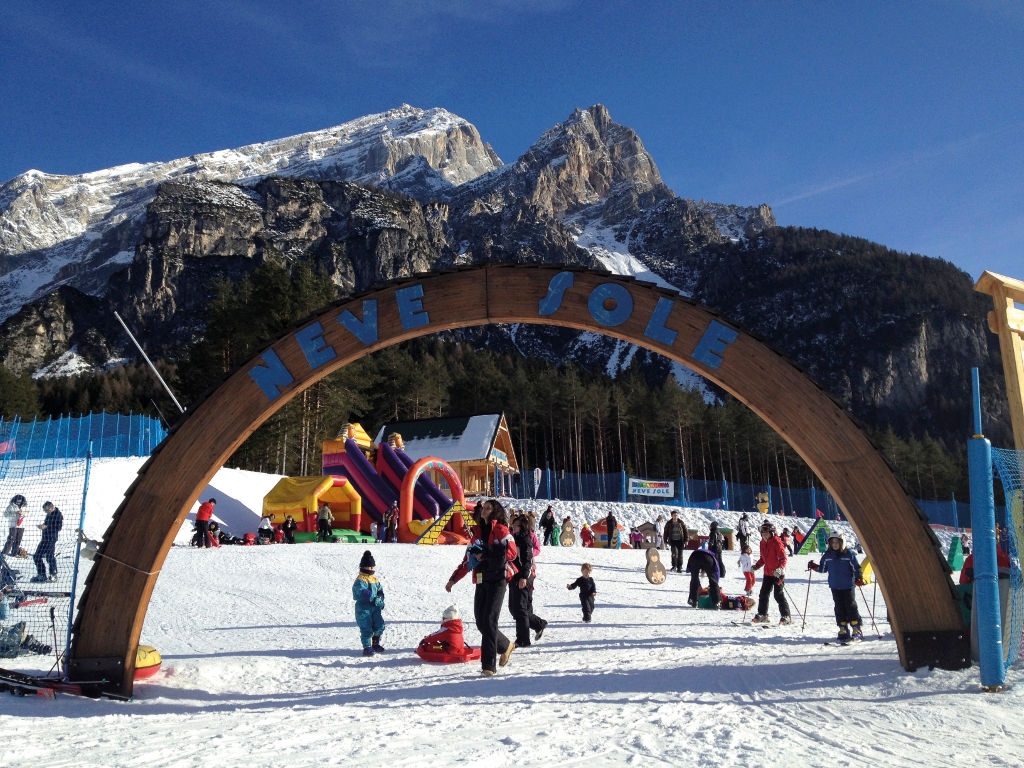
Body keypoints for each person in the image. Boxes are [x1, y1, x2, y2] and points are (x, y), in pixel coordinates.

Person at [445, 499, 518, 677]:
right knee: (481, 622)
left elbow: (512, 552)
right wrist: (453, 579)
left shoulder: (501, 529)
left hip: (498, 579)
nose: (483, 510)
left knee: (490, 620)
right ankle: (506, 645)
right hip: (481, 579)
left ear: (494, 512)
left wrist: (487, 554)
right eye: (483, 508)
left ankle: (488, 666)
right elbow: (467, 560)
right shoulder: (476, 533)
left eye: (487, 508)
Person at [808, 532, 864, 642]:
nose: (835, 545)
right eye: (832, 542)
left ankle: (856, 629)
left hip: (848, 585)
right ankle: (843, 628)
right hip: (835, 586)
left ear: (842, 543)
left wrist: (858, 577)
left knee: (851, 606)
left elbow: (856, 567)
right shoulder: (827, 556)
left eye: (837, 542)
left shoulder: (849, 554)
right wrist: (814, 567)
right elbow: (823, 569)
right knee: (839, 607)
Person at [508, 513, 547, 647]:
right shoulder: (513, 538)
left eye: (516, 525)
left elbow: (527, 560)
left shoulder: (525, 539)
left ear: (522, 526)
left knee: (520, 609)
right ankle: (538, 624)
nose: (513, 527)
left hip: (524, 576)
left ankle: (523, 639)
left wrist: (524, 576)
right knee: (514, 609)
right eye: (512, 524)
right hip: (513, 576)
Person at [751, 521, 792, 624]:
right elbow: (763, 558)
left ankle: (786, 616)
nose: (764, 536)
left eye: (767, 534)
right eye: (763, 534)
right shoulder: (762, 543)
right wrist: (757, 566)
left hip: (778, 573)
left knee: (778, 595)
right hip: (768, 573)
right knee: (763, 594)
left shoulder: (777, 542)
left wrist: (780, 569)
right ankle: (763, 615)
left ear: (772, 533)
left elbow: (783, 558)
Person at [353, 550, 385, 656]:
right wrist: (373, 598)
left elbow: (380, 591)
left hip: (375, 608)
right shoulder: (360, 580)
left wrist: (380, 600)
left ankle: (375, 642)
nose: (372, 569)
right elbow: (363, 592)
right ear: (363, 567)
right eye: (369, 567)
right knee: (366, 628)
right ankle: (367, 646)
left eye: (373, 567)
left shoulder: (374, 579)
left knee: (379, 625)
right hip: (364, 608)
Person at [32, 501, 63, 582]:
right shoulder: (49, 514)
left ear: (52, 507)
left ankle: (53, 574)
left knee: (49, 556)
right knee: (37, 556)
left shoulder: (58, 515)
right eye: (45, 511)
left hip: (51, 539)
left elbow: (58, 527)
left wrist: (46, 526)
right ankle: (42, 575)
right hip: (45, 538)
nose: (46, 512)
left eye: (47, 510)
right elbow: (47, 524)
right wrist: (42, 526)